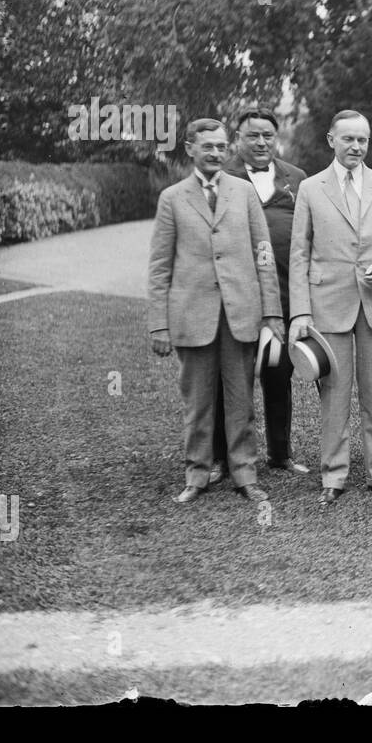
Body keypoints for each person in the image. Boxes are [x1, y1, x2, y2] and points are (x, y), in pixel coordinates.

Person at [147, 118, 285, 504]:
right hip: (192, 316)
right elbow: (160, 267)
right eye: (207, 146)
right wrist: (159, 323)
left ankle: (245, 474)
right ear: (189, 148)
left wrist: (271, 313)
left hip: (240, 314)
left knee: (241, 399)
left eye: (222, 147)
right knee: (197, 401)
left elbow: (263, 256)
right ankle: (197, 473)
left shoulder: (243, 193)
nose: (216, 154)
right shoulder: (172, 198)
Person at [288, 110, 372, 507]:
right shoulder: (310, 189)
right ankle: (334, 476)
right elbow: (299, 255)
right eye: (348, 139)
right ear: (331, 140)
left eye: (363, 140)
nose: (357, 147)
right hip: (329, 306)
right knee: (334, 394)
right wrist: (300, 313)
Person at [212, 108, 309, 476]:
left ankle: (280, 454)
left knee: (278, 373)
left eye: (268, 135)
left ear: (276, 137)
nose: (261, 142)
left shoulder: (296, 179)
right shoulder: (223, 178)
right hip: (236, 297)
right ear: (238, 139)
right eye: (252, 135)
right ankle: (223, 458)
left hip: (282, 295)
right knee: (229, 381)